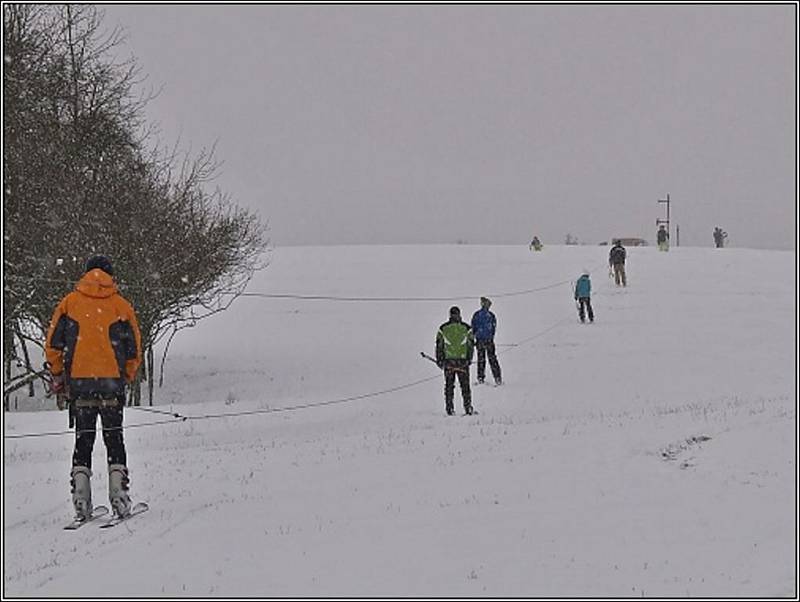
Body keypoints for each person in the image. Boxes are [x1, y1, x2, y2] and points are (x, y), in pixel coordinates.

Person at [45, 255, 142, 521]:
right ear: (111, 275)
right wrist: (126, 376)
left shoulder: (69, 304)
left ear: (86, 274)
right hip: (111, 385)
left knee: (83, 441)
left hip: (80, 386)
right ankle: (119, 497)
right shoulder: (121, 307)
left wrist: (58, 375)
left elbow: (53, 345)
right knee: (114, 440)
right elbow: (134, 349)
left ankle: (81, 498)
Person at [435, 306, 475, 416]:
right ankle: (468, 408)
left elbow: (439, 345)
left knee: (449, 386)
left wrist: (440, 360)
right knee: (465, 386)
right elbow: (471, 344)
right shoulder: (466, 328)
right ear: (459, 314)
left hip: (448, 362)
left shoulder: (443, 328)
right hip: (463, 361)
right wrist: (469, 359)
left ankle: (449, 409)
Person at [470, 297, 502, 385]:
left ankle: (481, 378)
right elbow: (493, 328)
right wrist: (491, 337)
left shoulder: (476, 315)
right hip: (489, 340)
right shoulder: (491, 315)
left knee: (481, 359)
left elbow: (472, 327)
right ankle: (497, 377)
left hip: (480, 340)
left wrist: (474, 337)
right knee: (492, 359)